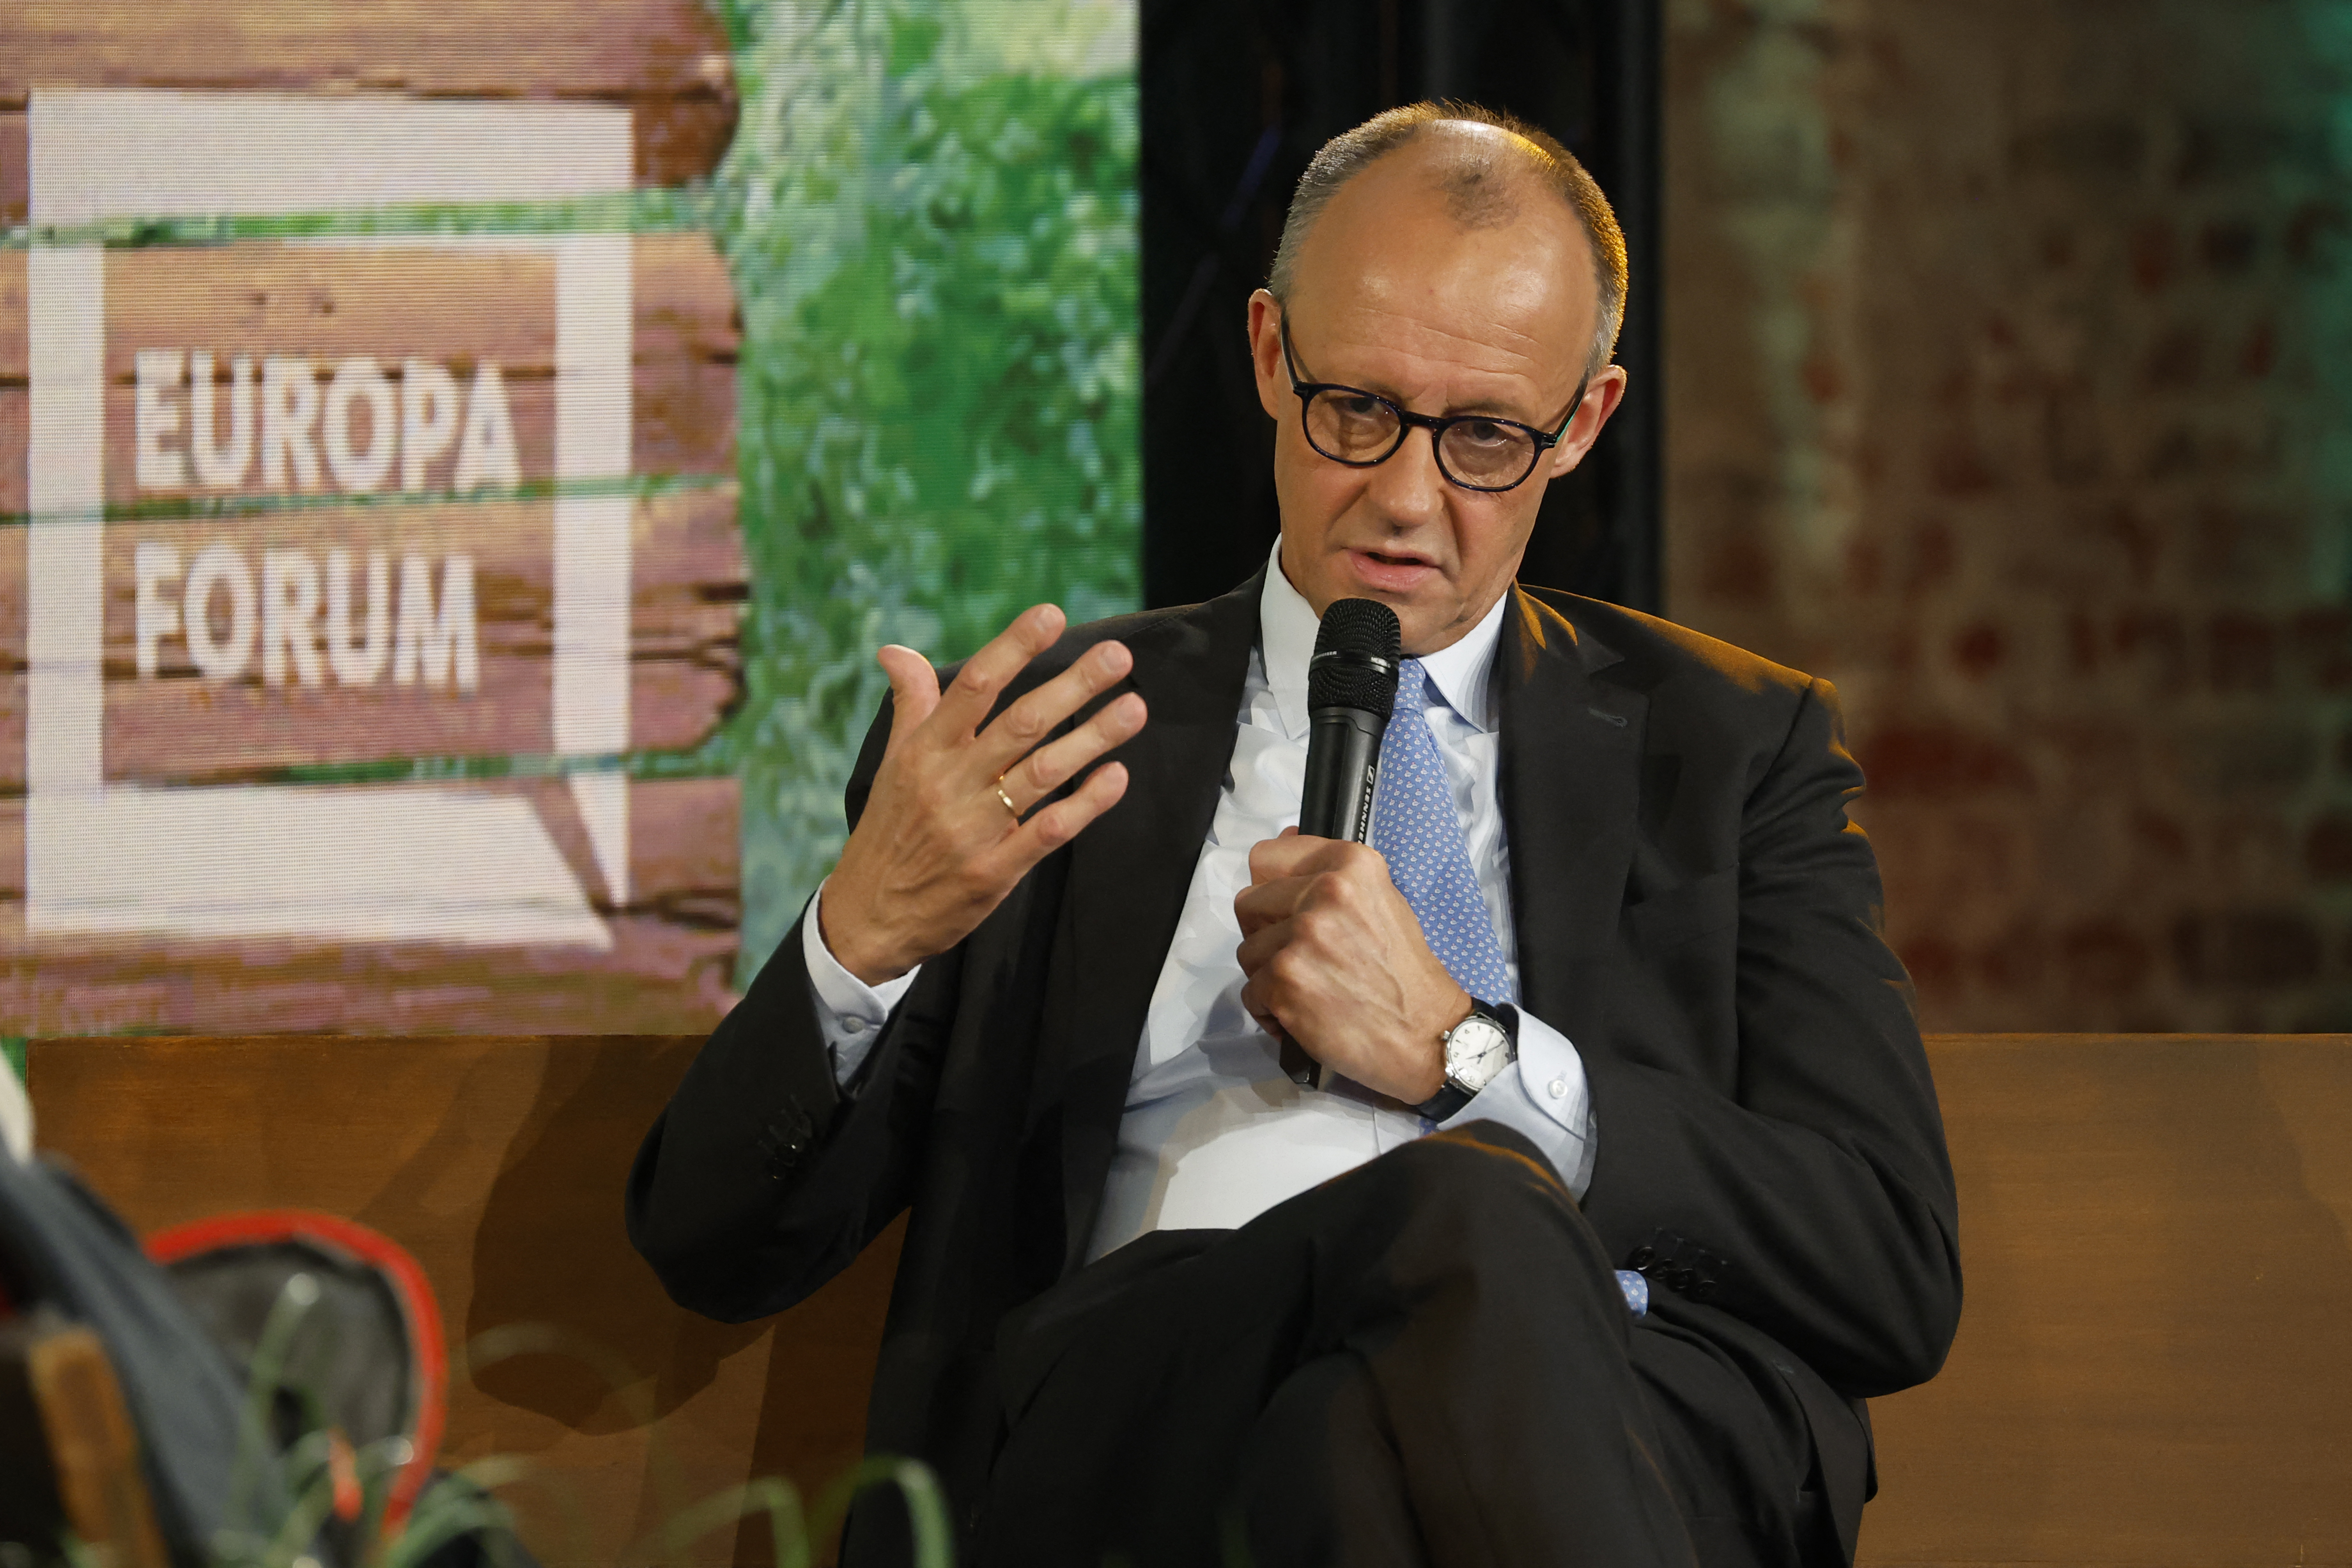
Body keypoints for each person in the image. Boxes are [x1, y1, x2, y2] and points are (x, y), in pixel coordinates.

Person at [628, 102, 1960, 1568]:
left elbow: (1885, 1265)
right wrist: (863, 933)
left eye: (1481, 439)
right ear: (1269, 356)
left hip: (1611, 1412)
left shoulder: (1732, 746)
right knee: (1459, 1225)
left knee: (1369, 1401)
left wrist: (1470, 1056)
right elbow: (712, 1247)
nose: (1401, 495)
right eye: (1357, 413)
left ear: (1579, 424)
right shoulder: (1038, 736)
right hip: (1137, 1418)